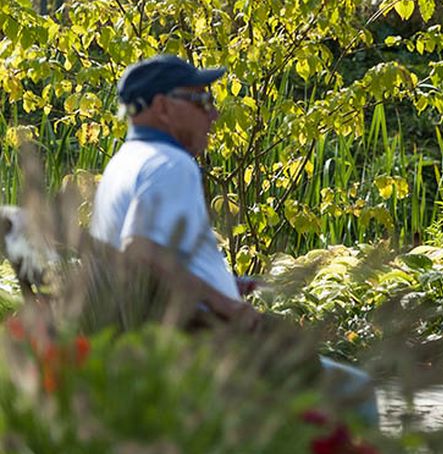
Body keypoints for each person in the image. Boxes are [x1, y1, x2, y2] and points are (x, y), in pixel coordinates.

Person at [91, 53, 378, 423]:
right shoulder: (168, 163)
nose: (213, 114)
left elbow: (146, 263)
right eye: (202, 101)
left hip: (154, 338)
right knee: (355, 389)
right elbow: (141, 250)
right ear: (162, 107)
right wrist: (228, 306)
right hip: (204, 346)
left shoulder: (125, 161)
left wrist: (226, 284)